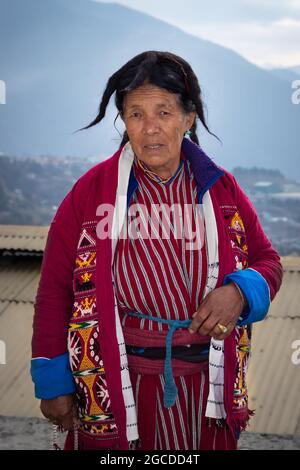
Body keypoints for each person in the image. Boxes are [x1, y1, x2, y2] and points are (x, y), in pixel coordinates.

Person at [31, 50, 283, 451]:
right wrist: (53, 381)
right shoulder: (89, 195)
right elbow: (54, 290)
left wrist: (238, 291)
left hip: (205, 387)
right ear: (124, 122)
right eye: (136, 114)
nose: (149, 129)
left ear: (189, 118)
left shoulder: (221, 191)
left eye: (163, 112)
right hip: (117, 378)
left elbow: (268, 262)